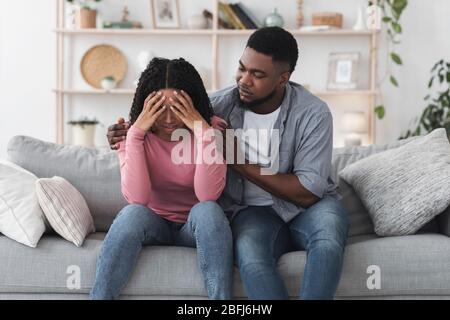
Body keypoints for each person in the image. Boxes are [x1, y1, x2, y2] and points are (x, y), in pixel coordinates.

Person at [107, 27, 349, 300]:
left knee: (328, 241)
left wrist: (240, 163)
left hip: (313, 207)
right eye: (242, 69)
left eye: (257, 75)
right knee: (252, 257)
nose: (244, 80)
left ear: (283, 79)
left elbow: (308, 191)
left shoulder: (313, 113)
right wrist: (125, 135)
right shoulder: (216, 107)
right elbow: (170, 131)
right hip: (251, 212)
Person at [91, 57, 233, 300]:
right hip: (153, 224)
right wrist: (135, 135)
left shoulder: (214, 130)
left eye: (177, 108)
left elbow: (207, 195)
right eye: (160, 109)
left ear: (192, 104)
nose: (168, 119)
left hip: (194, 226)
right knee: (132, 213)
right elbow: (137, 198)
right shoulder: (131, 134)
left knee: (208, 210)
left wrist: (202, 132)